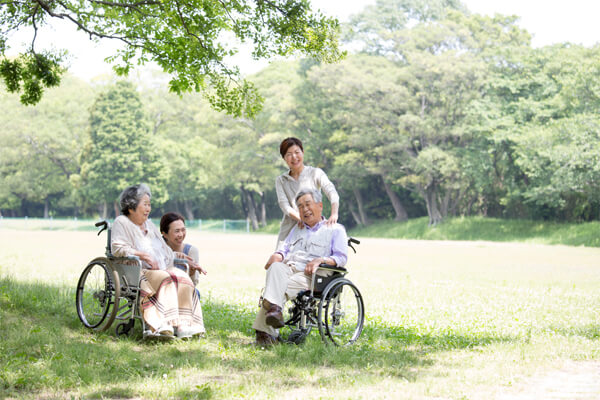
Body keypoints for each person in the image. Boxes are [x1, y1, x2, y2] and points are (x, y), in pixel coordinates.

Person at [252, 188, 348, 346]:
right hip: (289, 268)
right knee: (275, 267)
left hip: (313, 276)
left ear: (320, 205)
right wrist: (278, 255)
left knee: (275, 288)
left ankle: (265, 335)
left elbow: (341, 257)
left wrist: (321, 260)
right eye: (300, 206)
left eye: (308, 204)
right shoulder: (297, 228)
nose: (304, 209)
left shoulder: (335, 229)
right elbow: (284, 248)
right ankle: (275, 310)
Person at [111, 184, 205, 340]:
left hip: (161, 268)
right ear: (132, 206)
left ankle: (184, 325)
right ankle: (161, 323)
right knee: (166, 279)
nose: (149, 208)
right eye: (145, 204)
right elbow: (118, 248)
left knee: (184, 278)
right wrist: (143, 256)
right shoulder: (122, 222)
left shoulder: (150, 225)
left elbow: (164, 251)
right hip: (140, 271)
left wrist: (181, 257)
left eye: (149, 204)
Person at [275, 137, 340, 250]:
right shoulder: (281, 180)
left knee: (312, 262)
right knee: (278, 262)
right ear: (284, 158)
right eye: (289, 154)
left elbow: (331, 191)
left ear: (303, 152)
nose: (294, 157)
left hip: (313, 228)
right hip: (290, 229)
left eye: (297, 152)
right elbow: (285, 206)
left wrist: (334, 213)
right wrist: (301, 218)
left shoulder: (315, 173)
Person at [159, 211, 206, 286]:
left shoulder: (191, 251)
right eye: (177, 231)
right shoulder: (156, 250)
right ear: (164, 234)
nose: (181, 234)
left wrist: (191, 273)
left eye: (183, 230)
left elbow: (194, 284)